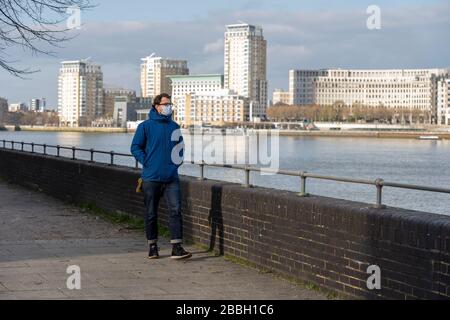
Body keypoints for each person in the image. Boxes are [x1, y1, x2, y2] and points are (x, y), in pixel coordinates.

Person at [131, 93, 192, 260]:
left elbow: (180, 149)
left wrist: (175, 164)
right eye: (165, 104)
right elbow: (135, 147)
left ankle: (177, 247)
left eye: (170, 104)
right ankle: (152, 246)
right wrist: (147, 162)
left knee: (176, 210)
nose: (168, 107)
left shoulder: (174, 126)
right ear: (157, 106)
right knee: (151, 213)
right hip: (151, 178)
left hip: (171, 178)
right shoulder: (145, 126)